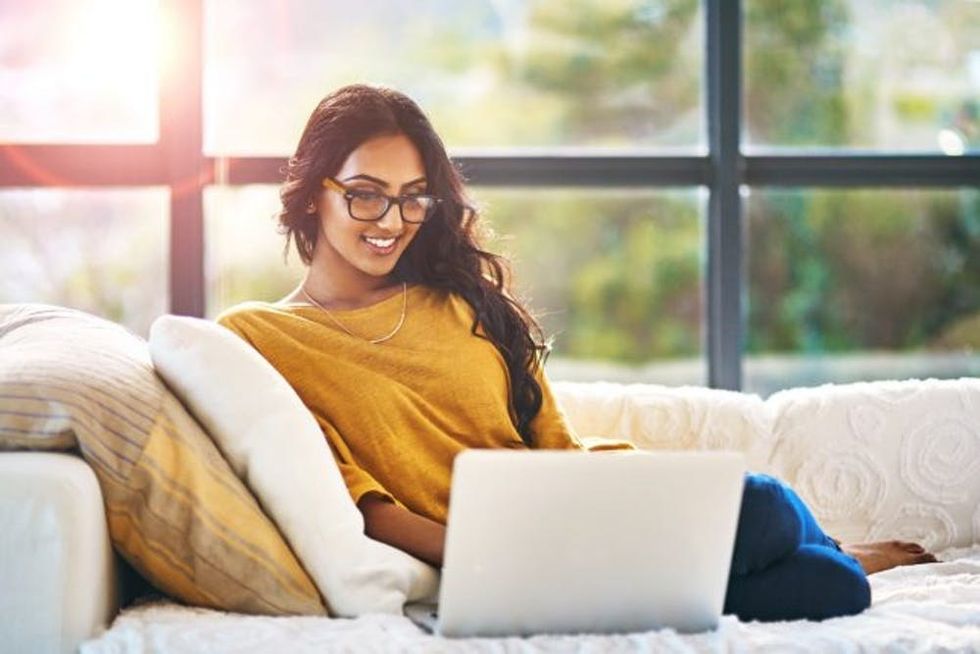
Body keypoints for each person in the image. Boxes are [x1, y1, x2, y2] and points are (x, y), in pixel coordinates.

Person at [216, 84, 936, 622]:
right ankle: (822, 554)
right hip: (497, 559)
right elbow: (360, 503)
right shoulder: (259, 337)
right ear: (311, 194)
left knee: (805, 548)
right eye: (366, 195)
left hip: (584, 512)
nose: (393, 221)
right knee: (807, 557)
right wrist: (496, 560)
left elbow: (549, 439)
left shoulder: (455, 298)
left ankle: (829, 550)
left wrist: (593, 527)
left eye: (413, 198)